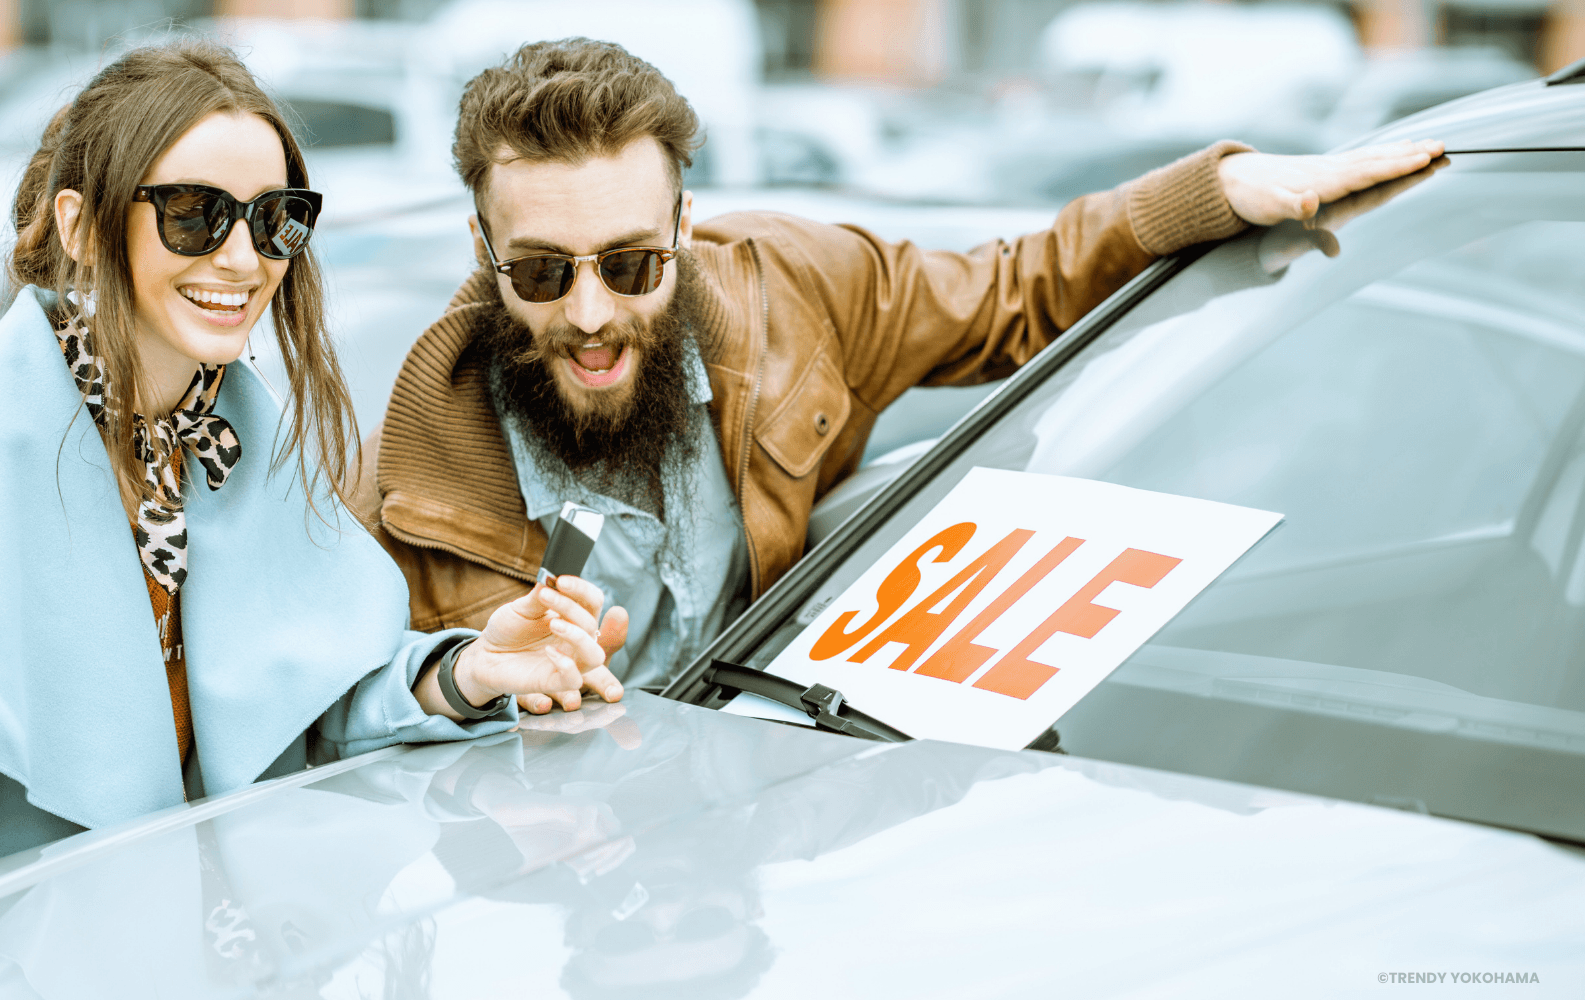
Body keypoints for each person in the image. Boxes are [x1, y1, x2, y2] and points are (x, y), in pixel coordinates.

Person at [0, 41, 616, 1000]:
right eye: (194, 216)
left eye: (276, 220)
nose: (242, 260)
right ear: (80, 225)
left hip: (151, 949)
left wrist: (466, 672)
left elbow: (306, 699)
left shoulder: (243, 430)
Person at [350, 38, 1445, 712]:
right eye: (541, 273)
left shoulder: (798, 291)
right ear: (484, 253)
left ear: (685, 228)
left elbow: (1020, 289)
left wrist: (1219, 190)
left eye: (631, 264)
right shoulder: (406, 475)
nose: (589, 313)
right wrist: (456, 680)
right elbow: (324, 723)